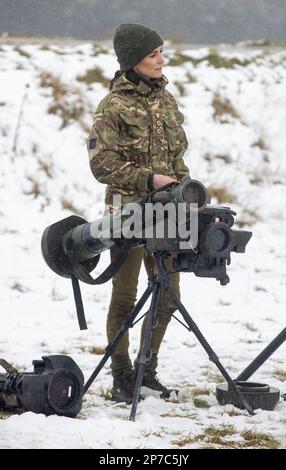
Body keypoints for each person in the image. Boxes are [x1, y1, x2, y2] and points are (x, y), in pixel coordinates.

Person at [87, 23, 190, 403]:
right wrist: (149, 180)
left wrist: (184, 189)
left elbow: (178, 159)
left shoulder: (167, 101)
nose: (162, 59)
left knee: (168, 294)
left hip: (167, 214)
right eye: (153, 54)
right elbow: (103, 165)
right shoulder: (112, 106)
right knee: (125, 296)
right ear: (134, 61)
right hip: (127, 213)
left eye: (162, 51)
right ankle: (122, 375)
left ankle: (148, 368)